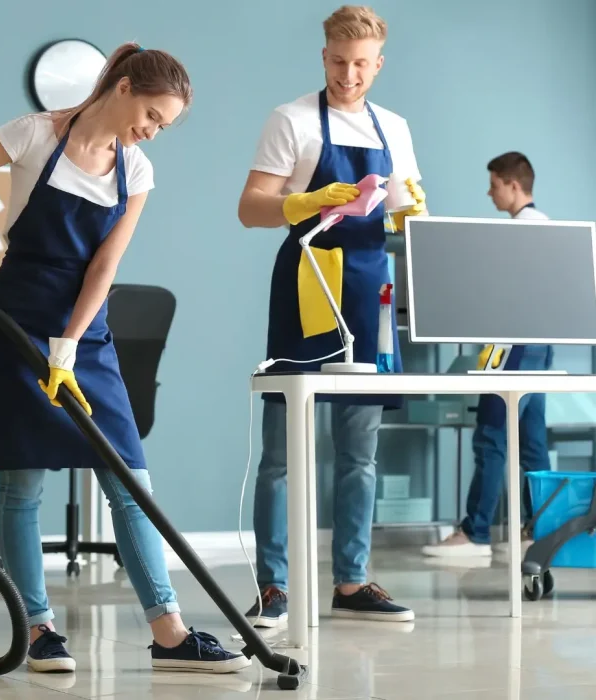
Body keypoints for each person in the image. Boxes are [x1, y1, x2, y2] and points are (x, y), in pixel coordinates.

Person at [0, 42, 251, 675]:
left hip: (84, 330)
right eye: (153, 115)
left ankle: (170, 631)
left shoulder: (138, 172)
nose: (152, 132)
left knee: (129, 478)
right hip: (13, 319)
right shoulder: (33, 136)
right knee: (21, 482)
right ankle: (39, 630)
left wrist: (70, 345)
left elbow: (105, 265)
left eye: (164, 126)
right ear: (124, 88)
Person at [237, 5, 425, 626]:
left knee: (360, 450)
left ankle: (351, 580)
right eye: (340, 62)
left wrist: (411, 211)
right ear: (324, 56)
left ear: (379, 64)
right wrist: (302, 200)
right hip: (308, 280)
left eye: (362, 65)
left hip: (371, 286)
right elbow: (251, 209)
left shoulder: (394, 127)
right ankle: (273, 587)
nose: (349, 76)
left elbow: (401, 210)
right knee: (282, 453)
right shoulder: (290, 120)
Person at [422, 151, 553, 558]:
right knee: (531, 441)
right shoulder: (547, 227)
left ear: (514, 185)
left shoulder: (519, 232)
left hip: (514, 347)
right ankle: (539, 530)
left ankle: (475, 533)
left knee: (491, 436)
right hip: (540, 345)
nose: (489, 192)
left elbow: (504, 295)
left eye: (494, 185)